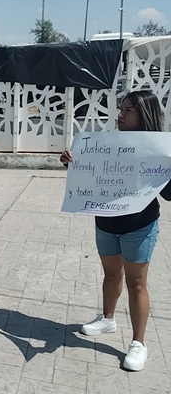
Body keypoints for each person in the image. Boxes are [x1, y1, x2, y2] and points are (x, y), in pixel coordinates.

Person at [60, 90, 171, 372]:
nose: (120, 115)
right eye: (121, 109)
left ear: (144, 114)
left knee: (136, 283)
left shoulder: (159, 149)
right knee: (111, 275)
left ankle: (138, 343)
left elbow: (169, 194)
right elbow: (90, 176)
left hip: (139, 227)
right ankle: (108, 319)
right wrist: (73, 162)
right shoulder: (105, 143)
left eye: (128, 110)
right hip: (106, 223)